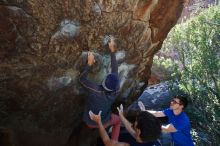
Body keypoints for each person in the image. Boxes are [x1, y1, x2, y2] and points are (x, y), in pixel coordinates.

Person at [79, 37, 121, 141]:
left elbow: (81, 79)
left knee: (88, 127)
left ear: (103, 82)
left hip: (90, 123)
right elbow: (115, 69)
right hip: (105, 120)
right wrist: (112, 51)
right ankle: (114, 141)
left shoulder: (95, 89)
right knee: (118, 121)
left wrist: (89, 63)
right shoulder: (116, 89)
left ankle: (86, 135)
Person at [89, 104, 161, 146]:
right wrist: (121, 116)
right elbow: (134, 133)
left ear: (139, 131)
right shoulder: (152, 137)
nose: (132, 124)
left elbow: (107, 142)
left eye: (134, 124)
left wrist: (99, 122)